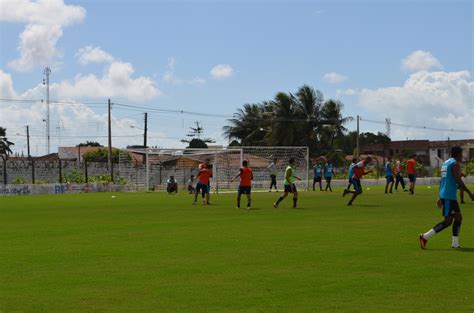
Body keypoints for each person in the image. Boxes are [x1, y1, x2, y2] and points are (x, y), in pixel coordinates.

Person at [419, 146, 474, 249]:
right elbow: (458, 180)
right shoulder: (454, 164)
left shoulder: (445, 163)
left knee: (457, 218)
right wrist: (470, 193)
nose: (462, 156)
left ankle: (455, 243)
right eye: (461, 154)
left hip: (447, 195)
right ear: (458, 154)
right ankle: (425, 236)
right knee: (448, 221)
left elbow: (443, 181)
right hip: (449, 196)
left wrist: (440, 196)